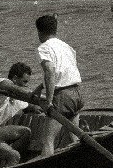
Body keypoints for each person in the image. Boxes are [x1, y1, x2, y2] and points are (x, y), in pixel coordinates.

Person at [32, 14, 83, 157]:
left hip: (63, 97)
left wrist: (49, 102)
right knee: (74, 137)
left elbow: (50, 72)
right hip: (76, 93)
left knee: (48, 141)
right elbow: (64, 72)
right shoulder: (67, 47)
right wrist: (40, 87)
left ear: (39, 32)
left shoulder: (44, 47)